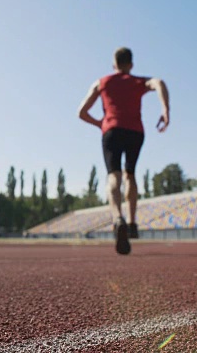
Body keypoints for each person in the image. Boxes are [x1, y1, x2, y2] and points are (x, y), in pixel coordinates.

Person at [78, 47, 170, 255]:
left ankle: (117, 217)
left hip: (111, 130)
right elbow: (159, 82)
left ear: (114, 64)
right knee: (130, 174)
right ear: (131, 65)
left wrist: (100, 123)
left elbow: (82, 112)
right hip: (135, 132)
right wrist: (165, 110)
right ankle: (132, 222)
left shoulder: (102, 82)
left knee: (113, 176)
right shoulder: (137, 81)